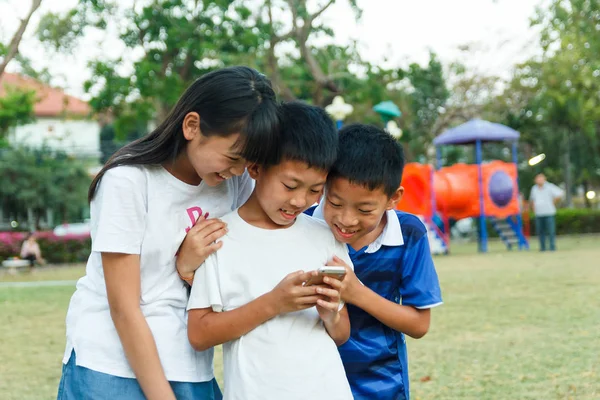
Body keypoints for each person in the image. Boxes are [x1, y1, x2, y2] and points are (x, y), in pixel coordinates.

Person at [56, 66, 281, 400]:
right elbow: (125, 308)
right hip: (110, 364)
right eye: (233, 157)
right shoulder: (128, 181)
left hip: (188, 363)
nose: (237, 171)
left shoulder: (234, 182)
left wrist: (187, 271)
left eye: (247, 163)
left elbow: (240, 274)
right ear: (192, 125)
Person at [183, 102, 353, 400]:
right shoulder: (220, 237)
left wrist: (330, 316)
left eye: (315, 190)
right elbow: (199, 334)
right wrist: (274, 303)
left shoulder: (324, 236)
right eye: (290, 186)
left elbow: (342, 333)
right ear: (256, 168)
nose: (301, 201)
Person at [306, 124, 443, 400]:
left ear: (393, 198)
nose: (346, 219)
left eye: (364, 209)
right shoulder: (303, 225)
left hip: (382, 381)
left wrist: (356, 293)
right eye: (334, 202)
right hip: (313, 377)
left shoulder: (408, 234)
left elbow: (419, 324)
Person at [529, 173, 564, 251]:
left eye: (541, 179)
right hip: (539, 213)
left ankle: (552, 247)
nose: (539, 180)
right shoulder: (534, 189)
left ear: (544, 179)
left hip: (549, 212)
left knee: (551, 231)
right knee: (540, 232)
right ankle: (542, 247)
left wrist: (554, 202)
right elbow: (532, 200)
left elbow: (560, 193)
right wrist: (534, 209)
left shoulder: (550, 187)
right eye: (538, 179)